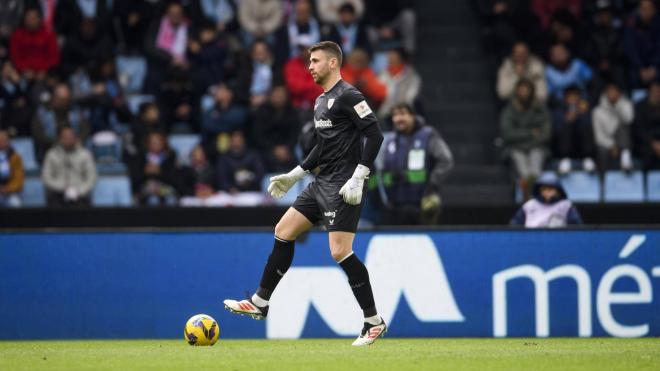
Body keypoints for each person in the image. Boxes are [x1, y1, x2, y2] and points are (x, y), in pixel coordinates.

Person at [223, 41, 387, 346]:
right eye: (309, 62)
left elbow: (374, 133)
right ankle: (261, 302)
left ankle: (372, 321)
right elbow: (322, 147)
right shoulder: (320, 101)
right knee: (283, 230)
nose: (309, 66)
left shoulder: (350, 95)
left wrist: (359, 175)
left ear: (333, 63)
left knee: (339, 251)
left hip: (343, 184)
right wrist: (294, 174)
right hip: (321, 183)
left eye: (314, 61)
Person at [377, 103, 453, 225]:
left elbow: (446, 161)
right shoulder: (389, 140)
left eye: (403, 114)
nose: (398, 118)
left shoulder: (428, 136)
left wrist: (432, 185)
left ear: (412, 116)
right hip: (394, 206)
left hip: (422, 204)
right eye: (395, 115)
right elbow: (380, 169)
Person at [500, 79, 551, 198]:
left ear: (532, 92)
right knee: (523, 171)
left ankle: (535, 196)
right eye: (521, 90)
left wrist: (523, 138)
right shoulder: (509, 111)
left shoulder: (540, 110)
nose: (524, 93)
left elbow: (545, 134)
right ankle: (527, 197)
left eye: (526, 90)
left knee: (535, 169)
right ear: (516, 92)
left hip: (537, 147)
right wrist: (530, 133)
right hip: (515, 148)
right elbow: (508, 134)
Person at [41, 126, 97, 207]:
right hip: (57, 193)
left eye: (71, 137)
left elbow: (92, 177)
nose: (68, 139)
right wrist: (63, 188)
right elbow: (46, 177)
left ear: (75, 138)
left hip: (80, 194)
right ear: (60, 139)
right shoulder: (51, 154)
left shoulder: (85, 154)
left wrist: (78, 191)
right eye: (65, 137)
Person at [252, 85, 301, 172]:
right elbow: (259, 135)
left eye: (281, 95)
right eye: (276, 95)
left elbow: (295, 134)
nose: (278, 98)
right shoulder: (262, 111)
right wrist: (274, 149)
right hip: (267, 149)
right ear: (270, 96)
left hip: (288, 149)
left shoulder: (292, 112)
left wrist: (287, 148)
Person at [510, 173, 583, 228]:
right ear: (539, 191)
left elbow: (576, 226)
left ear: (557, 190)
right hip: (531, 241)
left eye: (550, 189)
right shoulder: (529, 205)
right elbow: (515, 225)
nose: (547, 191)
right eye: (544, 189)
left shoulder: (566, 205)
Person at [553, 86, 596, 174]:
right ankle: (565, 159)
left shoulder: (586, 109)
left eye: (575, 96)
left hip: (583, 148)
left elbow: (593, 129)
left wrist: (581, 115)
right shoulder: (559, 111)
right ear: (565, 99)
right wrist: (567, 120)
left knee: (586, 126)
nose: (573, 99)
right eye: (570, 96)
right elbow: (556, 131)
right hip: (564, 149)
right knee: (567, 126)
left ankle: (588, 159)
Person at [593, 82, 634, 171]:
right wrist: (612, 145)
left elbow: (629, 120)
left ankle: (625, 157)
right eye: (609, 91)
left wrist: (617, 105)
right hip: (606, 143)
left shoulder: (626, 104)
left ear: (619, 93)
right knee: (602, 151)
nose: (612, 93)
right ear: (605, 93)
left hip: (623, 141)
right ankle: (603, 176)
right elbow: (599, 136)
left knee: (623, 127)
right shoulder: (597, 111)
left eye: (614, 91)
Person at [9, 7, 60, 78]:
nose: (31, 21)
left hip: (45, 73)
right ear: (24, 20)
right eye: (28, 18)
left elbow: (54, 58)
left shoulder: (49, 34)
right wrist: (24, 69)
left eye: (34, 18)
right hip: (22, 72)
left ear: (40, 19)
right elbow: (15, 57)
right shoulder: (17, 35)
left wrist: (44, 70)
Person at [623, 0, 660, 89]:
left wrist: (654, 66)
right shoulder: (631, 24)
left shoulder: (658, 23)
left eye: (649, 9)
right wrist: (640, 68)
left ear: (654, 10)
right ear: (638, 10)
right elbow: (630, 49)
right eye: (643, 9)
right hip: (637, 67)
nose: (646, 12)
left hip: (656, 66)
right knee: (629, 73)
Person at [377, 47, 421, 118]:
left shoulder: (411, 75)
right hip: (386, 112)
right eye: (389, 56)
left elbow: (412, 94)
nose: (390, 59)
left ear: (400, 58)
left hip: (405, 112)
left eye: (393, 56)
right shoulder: (383, 74)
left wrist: (401, 108)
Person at [636, 80, 660, 170]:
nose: (658, 93)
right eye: (655, 91)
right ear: (649, 92)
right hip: (647, 142)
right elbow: (639, 129)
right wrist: (654, 143)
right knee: (647, 153)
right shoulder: (640, 106)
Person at [0, 129, 24, 207]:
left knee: (15, 203)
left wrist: (7, 189)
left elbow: (19, 179)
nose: (2, 142)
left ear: (9, 141)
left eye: (4, 140)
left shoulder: (16, 157)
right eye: (0, 140)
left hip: (10, 192)